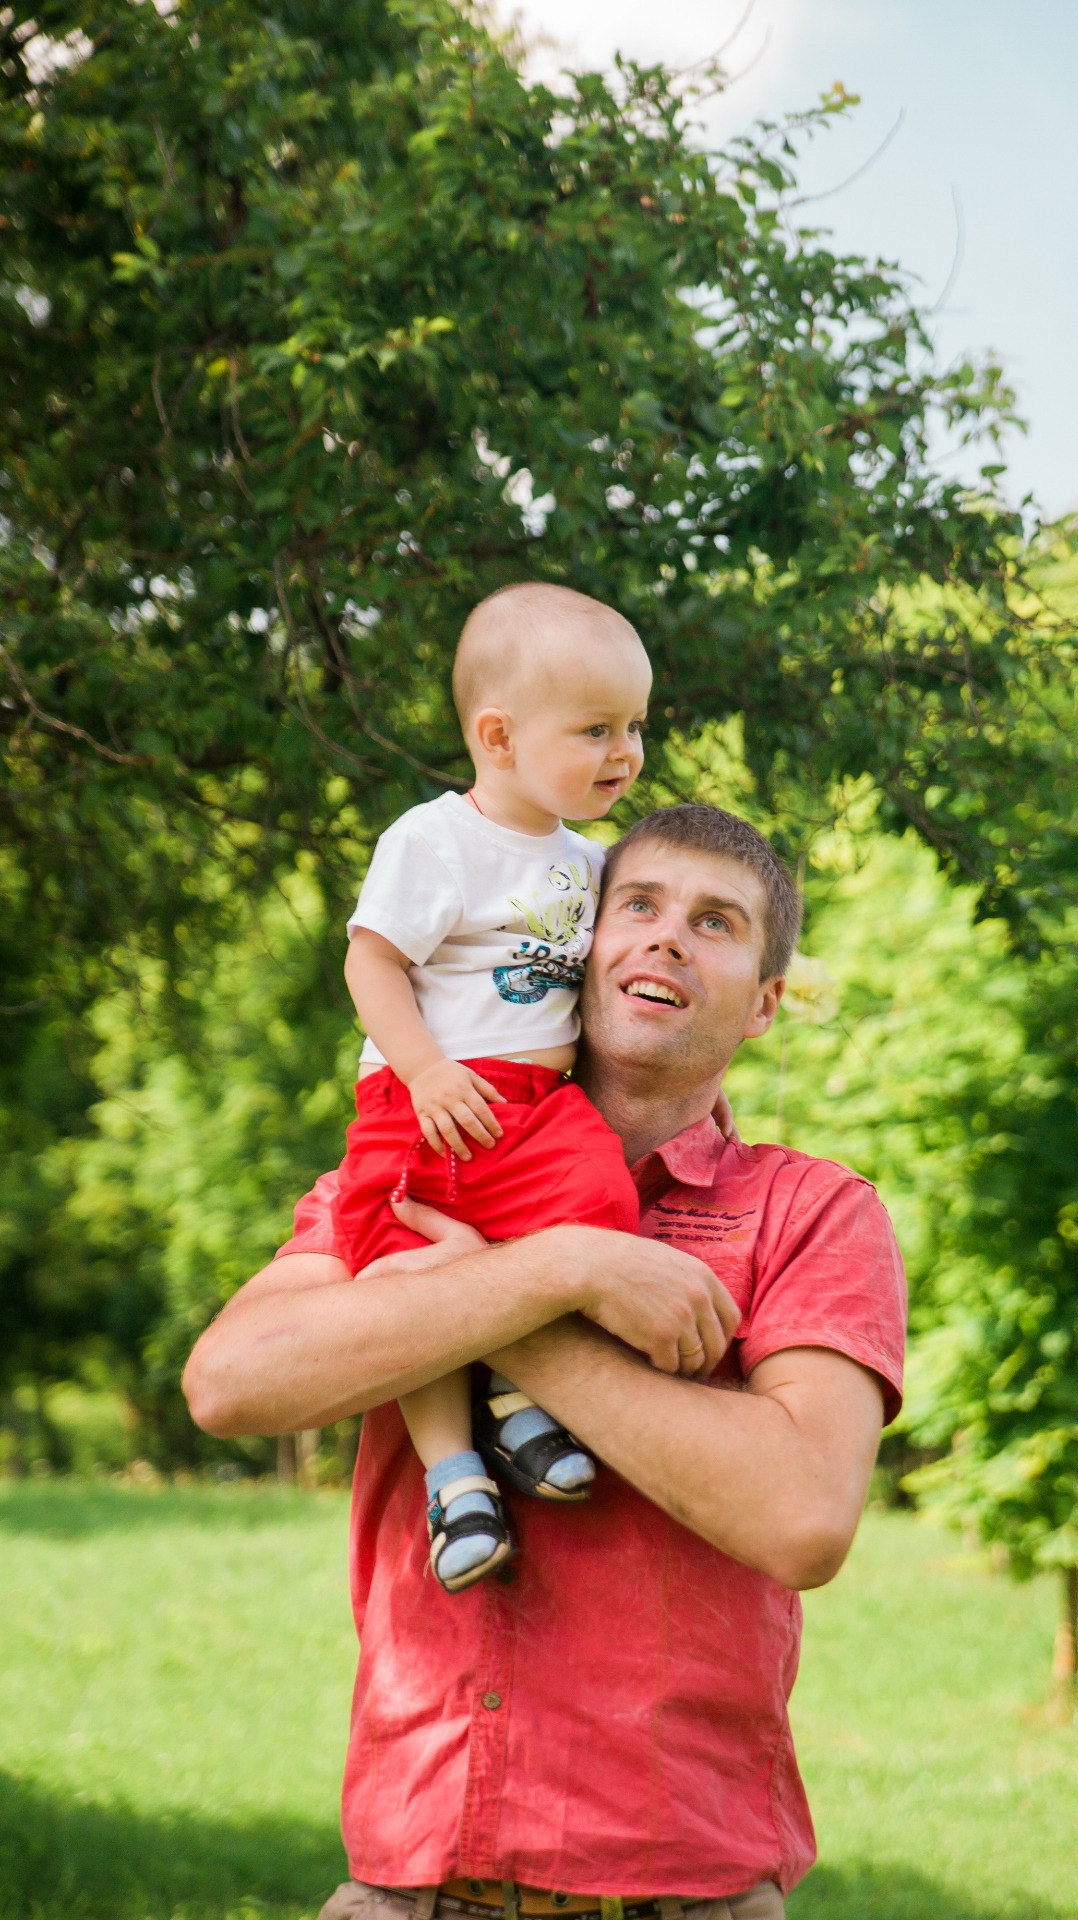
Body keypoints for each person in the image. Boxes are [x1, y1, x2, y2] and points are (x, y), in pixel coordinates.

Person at [183, 803, 908, 1920]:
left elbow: (801, 1515)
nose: (667, 937)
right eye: (639, 906)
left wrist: (511, 1307)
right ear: (578, 945)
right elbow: (232, 1382)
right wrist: (558, 1262)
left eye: (715, 922)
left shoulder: (809, 1212)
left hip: (683, 1895)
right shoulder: (415, 1165)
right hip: (410, 1886)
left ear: (765, 1001)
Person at [338, 581, 652, 1592]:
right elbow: (370, 962)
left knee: (594, 1212)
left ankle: (517, 1396)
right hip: (425, 1099)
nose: (625, 753)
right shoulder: (434, 840)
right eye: (597, 728)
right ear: (498, 735)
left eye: (636, 727)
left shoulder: (592, 863)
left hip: (537, 1109)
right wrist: (425, 1068)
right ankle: (454, 1476)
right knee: (407, 1280)